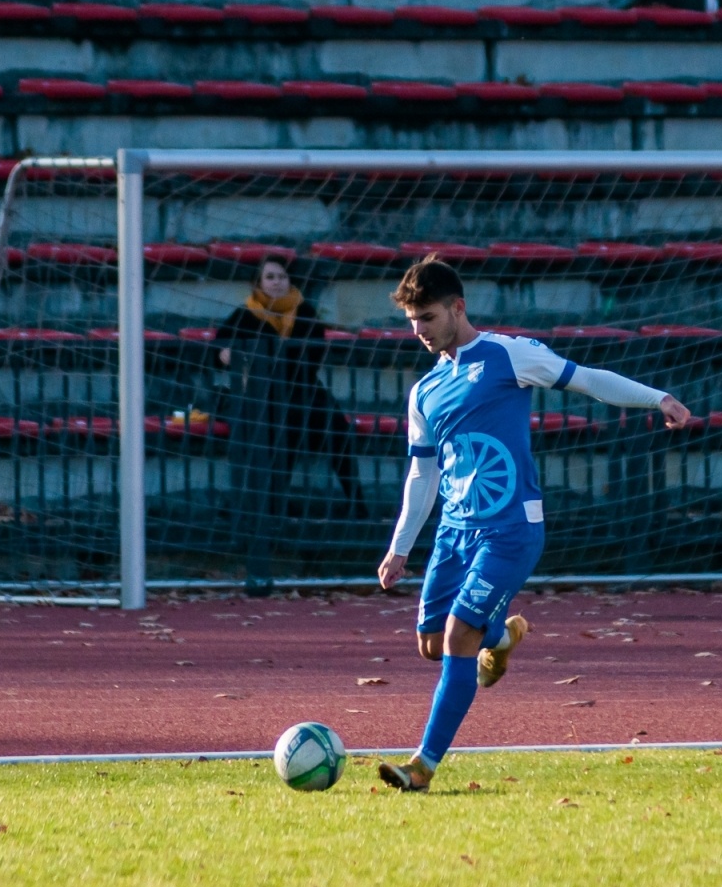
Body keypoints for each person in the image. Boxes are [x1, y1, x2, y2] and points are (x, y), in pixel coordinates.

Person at [375, 254, 691, 791]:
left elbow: (587, 380)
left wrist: (655, 397)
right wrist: (400, 546)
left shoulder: (508, 355)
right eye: (412, 323)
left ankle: (423, 766)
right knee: (432, 643)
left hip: (511, 529)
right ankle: (500, 638)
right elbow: (421, 476)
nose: (420, 332)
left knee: (456, 636)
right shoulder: (424, 391)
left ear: (457, 308)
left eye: (427, 318)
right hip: (454, 533)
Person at [214, 255, 367, 518]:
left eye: (282, 277)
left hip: (302, 390)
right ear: (258, 283)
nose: (276, 283)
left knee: (336, 426)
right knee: (279, 427)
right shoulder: (245, 314)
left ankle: (356, 502)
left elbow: (311, 359)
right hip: (261, 396)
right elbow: (216, 348)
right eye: (270, 277)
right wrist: (224, 353)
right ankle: (269, 506)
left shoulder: (305, 313)